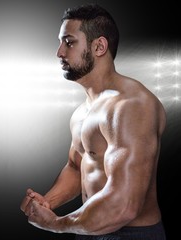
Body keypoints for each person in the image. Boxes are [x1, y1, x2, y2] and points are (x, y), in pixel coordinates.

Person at [20, 3, 167, 240]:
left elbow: (124, 206)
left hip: (130, 233)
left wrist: (56, 224)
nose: (59, 52)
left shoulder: (131, 106)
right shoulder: (82, 111)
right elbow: (77, 168)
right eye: (60, 43)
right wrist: (47, 202)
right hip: (88, 228)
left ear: (99, 46)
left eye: (69, 42)